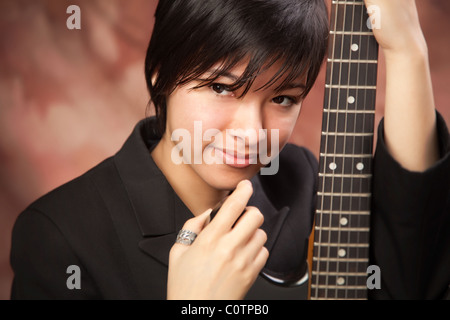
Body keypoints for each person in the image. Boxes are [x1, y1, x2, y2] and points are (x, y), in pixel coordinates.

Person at [10, 0, 449, 300]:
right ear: (161, 73)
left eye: (283, 99)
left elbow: (411, 273)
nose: (252, 133)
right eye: (221, 88)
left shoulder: (302, 180)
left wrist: (408, 51)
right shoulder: (60, 236)